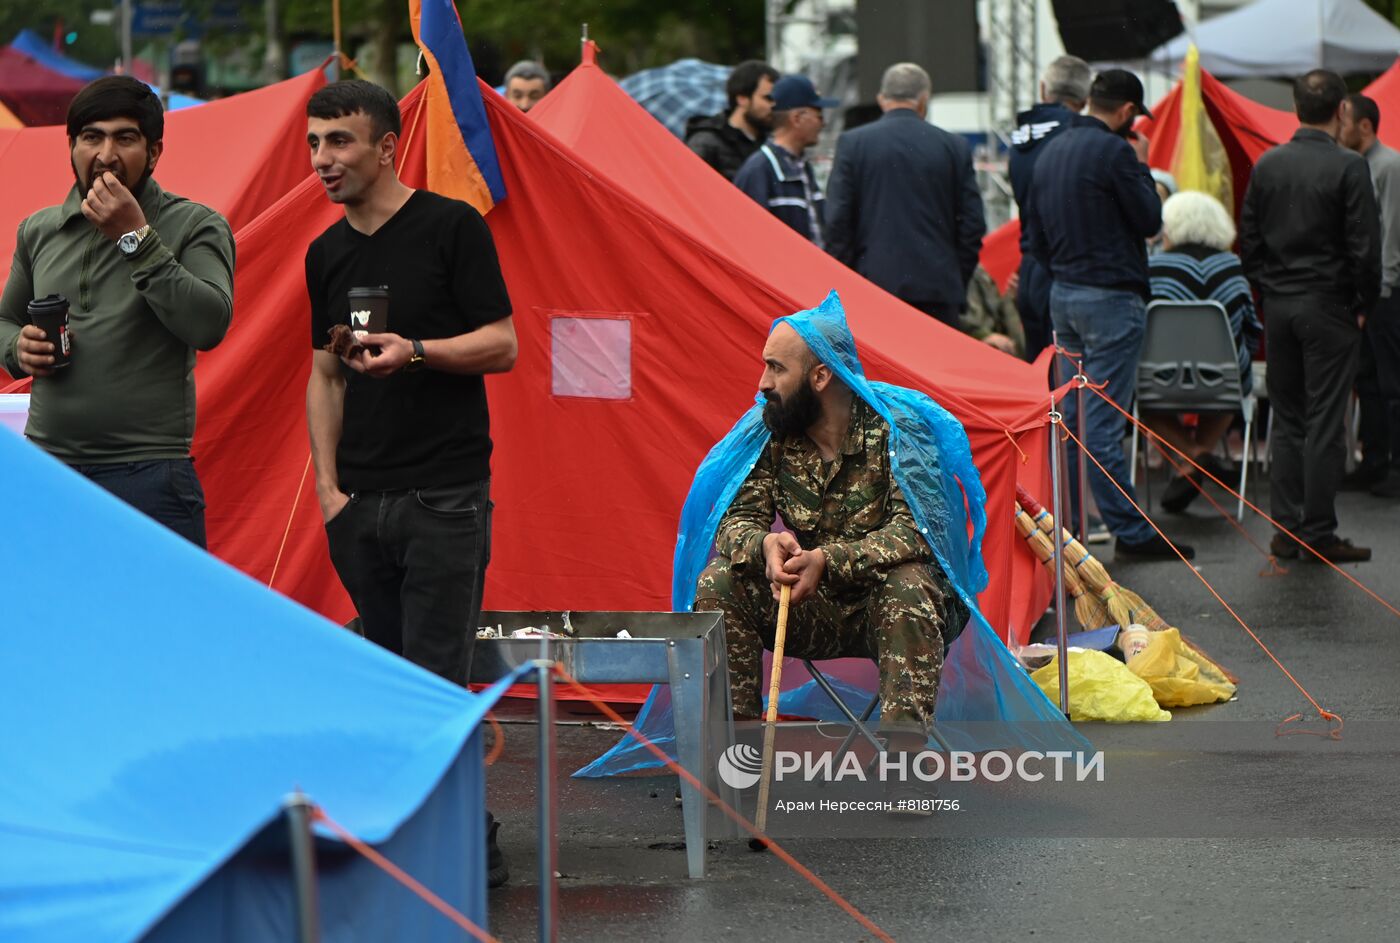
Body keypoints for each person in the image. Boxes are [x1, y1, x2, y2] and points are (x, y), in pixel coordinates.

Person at [302, 80, 518, 883]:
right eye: (316, 142)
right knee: (385, 680)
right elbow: (325, 376)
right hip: (361, 501)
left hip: (444, 495)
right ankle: (412, 834)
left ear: (387, 145)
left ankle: (463, 841)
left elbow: (503, 344)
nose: (324, 159)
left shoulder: (449, 227)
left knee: (433, 680)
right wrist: (328, 490)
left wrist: (417, 351)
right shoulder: (325, 252)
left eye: (340, 142)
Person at [692, 296, 972, 782]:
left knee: (909, 582)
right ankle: (734, 761)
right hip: (810, 607)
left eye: (776, 368)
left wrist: (828, 558)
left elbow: (922, 534)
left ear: (820, 377)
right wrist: (764, 545)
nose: (762, 384)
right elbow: (733, 521)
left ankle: (905, 765)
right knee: (720, 581)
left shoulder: (900, 431)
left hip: (892, 612)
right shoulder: (773, 434)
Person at [0, 75, 234, 547]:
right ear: (71, 147)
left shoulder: (195, 224)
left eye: (125, 138)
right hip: (50, 468)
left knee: (160, 620)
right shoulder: (39, 231)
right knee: (53, 619)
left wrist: (136, 238)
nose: (106, 154)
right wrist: (16, 347)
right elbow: (4, 320)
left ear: (154, 152)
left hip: (150, 475)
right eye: (91, 137)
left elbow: (208, 323)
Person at [1027, 68, 1193, 561]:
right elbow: (1150, 221)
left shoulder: (1050, 150)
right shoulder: (1118, 152)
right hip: (1111, 298)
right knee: (1102, 423)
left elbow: (1033, 239)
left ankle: (1074, 529)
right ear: (1125, 112)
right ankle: (1131, 532)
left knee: (1073, 420)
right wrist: (1140, 166)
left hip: (1064, 295)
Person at [1241, 70, 1380, 563]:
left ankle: (1287, 527)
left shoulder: (1268, 164)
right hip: (1331, 304)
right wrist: (1363, 304)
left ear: (1296, 107)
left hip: (1280, 303)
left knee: (1288, 418)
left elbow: (1250, 238)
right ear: (1342, 110)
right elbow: (1366, 247)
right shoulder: (1349, 167)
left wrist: (1269, 289)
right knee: (1325, 420)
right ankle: (1318, 530)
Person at [825, 62, 985, 327]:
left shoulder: (853, 144)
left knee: (877, 369)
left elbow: (837, 222)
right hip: (938, 289)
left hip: (872, 288)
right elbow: (973, 224)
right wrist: (955, 275)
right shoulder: (954, 146)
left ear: (881, 99)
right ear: (924, 100)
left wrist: (849, 282)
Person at [1147, 190, 1263, 513]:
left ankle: (1191, 458)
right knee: (1231, 385)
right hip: (1222, 383)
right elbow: (1251, 332)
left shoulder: (1152, 268)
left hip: (1158, 381)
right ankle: (1201, 455)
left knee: (1146, 404)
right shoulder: (1232, 268)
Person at [1339, 92, 1400, 498]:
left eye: (1344, 121)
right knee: (1368, 378)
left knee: (1391, 380)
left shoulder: (1389, 165)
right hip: (1365, 291)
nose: (1339, 128)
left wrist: (1382, 288)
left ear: (1364, 126)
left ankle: (1394, 463)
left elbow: (1392, 232)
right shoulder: (1355, 166)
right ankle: (1374, 459)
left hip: (1386, 289)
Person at [1009, 55, 1090, 359]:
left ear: (1044, 89)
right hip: (1067, 271)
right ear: (1084, 99)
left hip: (1030, 267)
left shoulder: (1019, 139)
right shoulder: (1080, 135)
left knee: (1038, 373)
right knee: (1070, 379)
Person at [732, 75, 838, 246]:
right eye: (819, 116)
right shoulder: (759, 170)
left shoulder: (802, 166)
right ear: (796, 118)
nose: (823, 124)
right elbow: (749, 240)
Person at [684, 60, 779, 181]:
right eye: (768, 98)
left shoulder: (771, 144)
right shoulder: (706, 142)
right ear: (742, 99)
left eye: (777, 99)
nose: (773, 105)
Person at [961, 266, 1025, 357]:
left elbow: (1012, 326)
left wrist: (1014, 300)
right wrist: (984, 336)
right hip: (976, 343)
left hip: (1008, 342)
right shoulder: (973, 275)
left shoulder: (988, 275)